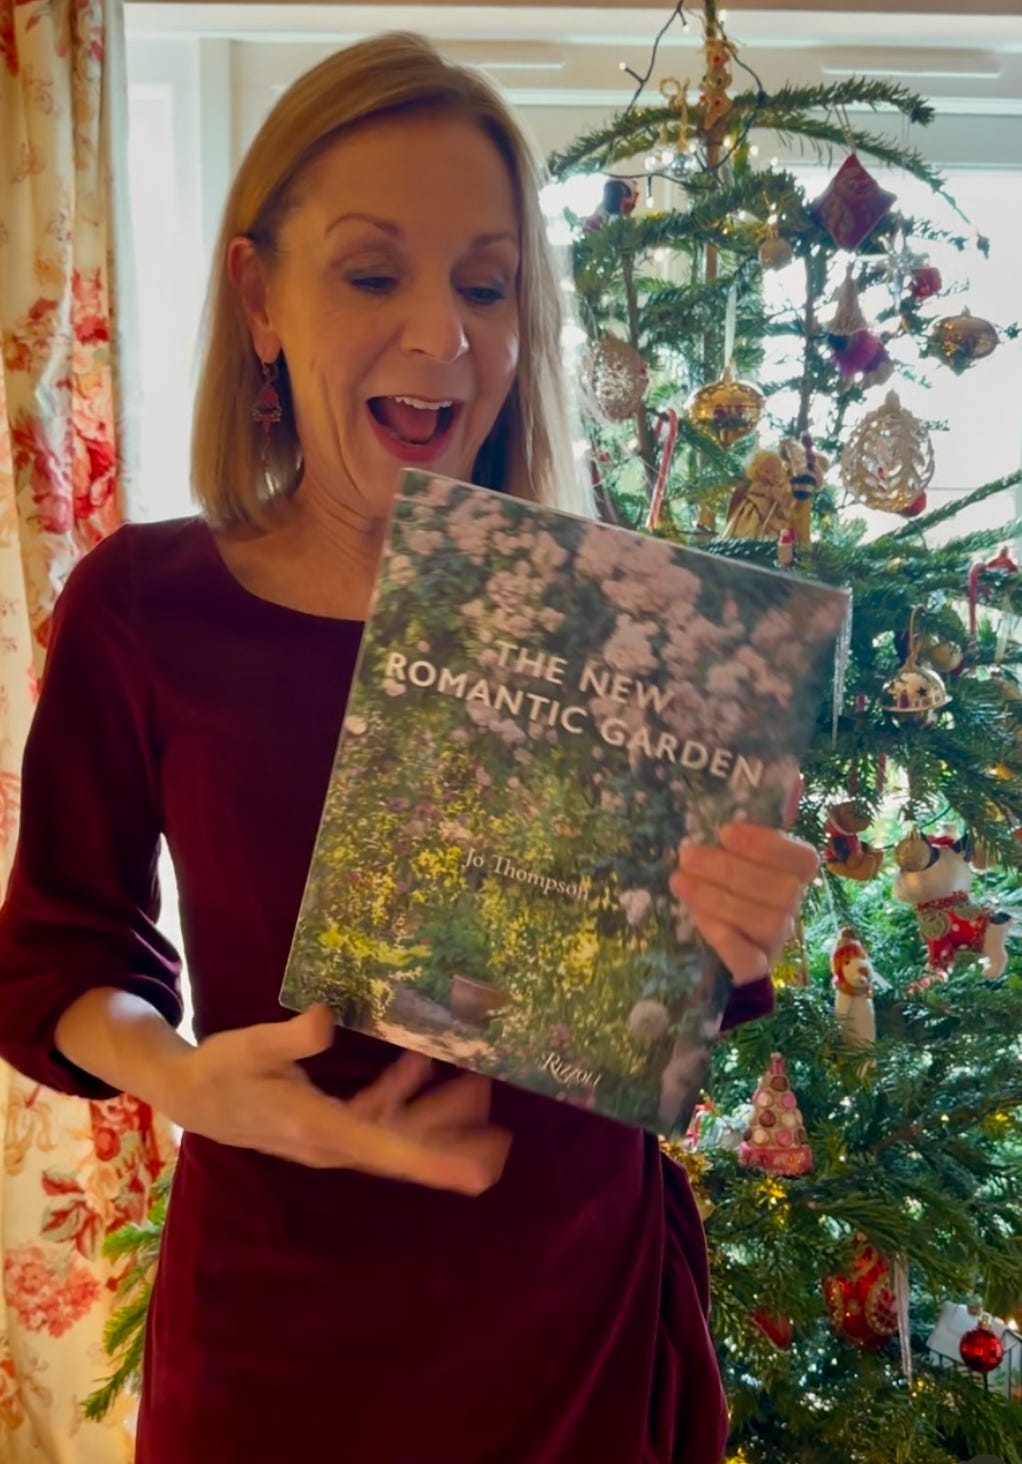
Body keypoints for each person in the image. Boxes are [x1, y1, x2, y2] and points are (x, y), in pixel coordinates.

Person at [0, 33, 819, 1464]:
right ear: (260, 298)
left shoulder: (626, 616)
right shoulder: (146, 606)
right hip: (283, 1330)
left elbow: (657, 998)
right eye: (373, 272)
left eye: (486, 285)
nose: (443, 336)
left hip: (575, 1320)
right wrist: (187, 1080)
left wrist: (732, 940)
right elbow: (54, 958)